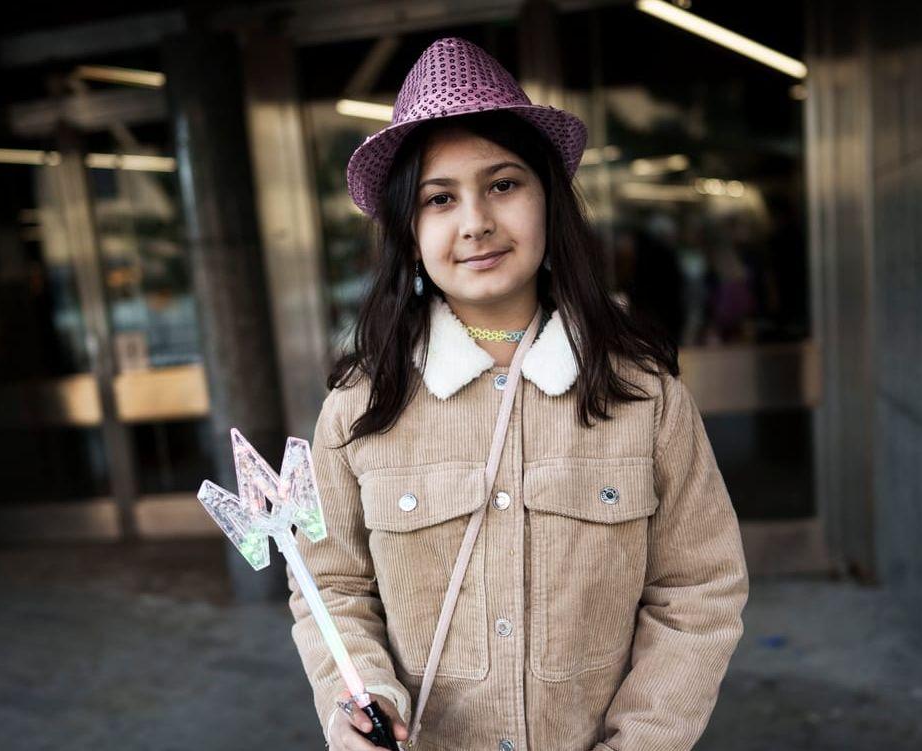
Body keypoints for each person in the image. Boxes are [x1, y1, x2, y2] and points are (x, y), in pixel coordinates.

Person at [287, 36, 748, 751]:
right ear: (409, 234)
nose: (475, 221)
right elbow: (332, 589)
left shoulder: (642, 393)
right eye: (440, 199)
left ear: (548, 201)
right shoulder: (358, 408)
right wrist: (360, 695)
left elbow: (698, 588)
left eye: (503, 185)